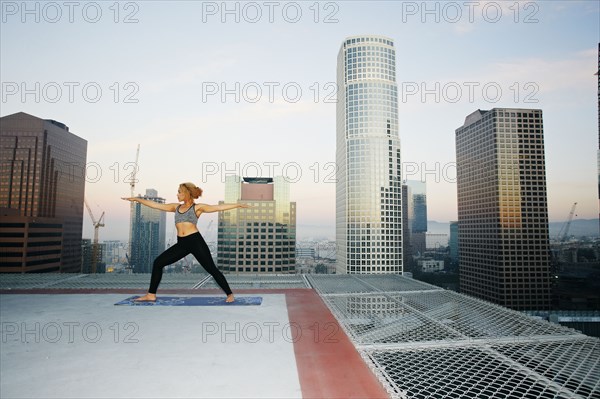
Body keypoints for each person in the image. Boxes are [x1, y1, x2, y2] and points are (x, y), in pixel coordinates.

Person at [122, 182, 249, 303]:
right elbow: (155, 205)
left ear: (186, 193)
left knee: (211, 269)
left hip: (195, 241)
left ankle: (230, 294)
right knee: (158, 263)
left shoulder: (197, 208)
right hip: (182, 243)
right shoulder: (175, 207)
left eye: (179, 192)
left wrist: (237, 205)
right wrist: (138, 200)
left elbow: (218, 207)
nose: (177, 195)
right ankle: (151, 295)